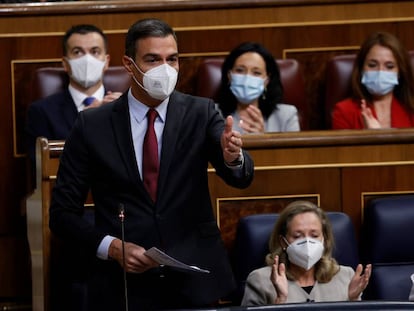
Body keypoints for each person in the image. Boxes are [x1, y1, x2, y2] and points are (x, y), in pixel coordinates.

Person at [49, 18, 254, 310]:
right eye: (153, 59)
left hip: (195, 277)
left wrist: (234, 158)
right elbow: (61, 214)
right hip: (124, 285)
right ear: (129, 65)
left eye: (172, 59)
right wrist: (113, 248)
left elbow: (240, 177)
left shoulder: (201, 112)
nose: (165, 69)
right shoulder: (92, 125)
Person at [241, 200, 371, 306]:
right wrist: (280, 301)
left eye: (314, 235)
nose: (307, 243)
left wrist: (353, 302)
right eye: (297, 236)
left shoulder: (345, 276)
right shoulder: (261, 280)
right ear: (283, 242)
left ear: (324, 240)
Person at [25, 24, 122, 165]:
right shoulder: (41, 112)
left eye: (95, 52)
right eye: (77, 52)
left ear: (106, 62)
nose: (87, 60)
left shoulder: (126, 105)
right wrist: (85, 124)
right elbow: (44, 168)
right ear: (65, 63)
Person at [332, 31, 414, 129]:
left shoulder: (410, 110)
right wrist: (369, 136)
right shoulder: (344, 111)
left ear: (400, 72)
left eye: (389, 66)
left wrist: (378, 136)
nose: (380, 72)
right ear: (361, 69)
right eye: (372, 65)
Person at [216, 41, 300, 134]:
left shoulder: (286, 115)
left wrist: (263, 140)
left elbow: (293, 149)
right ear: (229, 76)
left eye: (256, 73)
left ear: (266, 80)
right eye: (240, 70)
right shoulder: (212, 114)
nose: (247, 79)